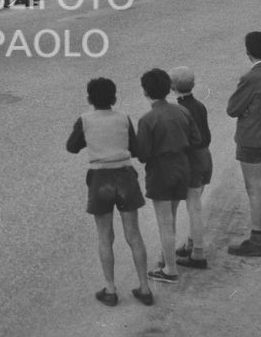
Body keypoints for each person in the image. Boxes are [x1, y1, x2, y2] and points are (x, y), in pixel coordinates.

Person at [66, 77, 154, 307]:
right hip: (125, 177)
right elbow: (135, 150)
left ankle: (110, 289)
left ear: (89, 99)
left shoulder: (85, 120)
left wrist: (92, 140)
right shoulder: (123, 118)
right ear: (115, 98)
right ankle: (144, 287)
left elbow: (72, 147)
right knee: (133, 234)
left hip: (100, 179)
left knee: (105, 235)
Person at [134, 67, 201, 285]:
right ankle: (167, 258)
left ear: (146, 92)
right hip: (182, 167)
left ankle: (170, 268)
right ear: (167, 89)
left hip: (161, 170)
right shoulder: (182, 111)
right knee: (171, 215)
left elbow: (142, 154)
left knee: (164, 221)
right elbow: (196, 139)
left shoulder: (147, 119)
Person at [226, 31, 261, 256]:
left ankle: (256, 237)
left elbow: (232, 109)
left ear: (248, 52)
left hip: (251, 137)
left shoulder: (250, 77)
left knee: (253, 188)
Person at [169, 66, 213, 269]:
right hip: (205, 156)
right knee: (195, 203)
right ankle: (192, 243)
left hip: (192, 161)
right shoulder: (200, 106)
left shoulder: (180, 110)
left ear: (172, 87)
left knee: (193, 206)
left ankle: (198, 253)